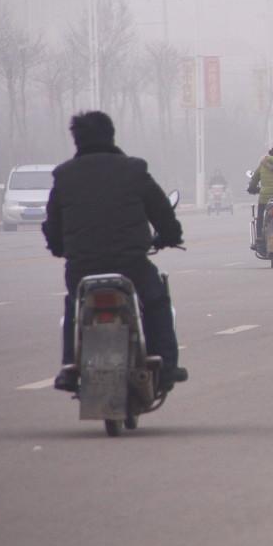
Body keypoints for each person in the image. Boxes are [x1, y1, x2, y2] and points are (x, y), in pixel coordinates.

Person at [42, 111, 186, 393]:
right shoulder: (133, 169)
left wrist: (59, 248)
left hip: (82, 268)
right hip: (131, 266)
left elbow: (52, 226)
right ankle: (166, 366)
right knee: (157, 302)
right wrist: (170, 237)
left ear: (76, 140)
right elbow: (162, 212)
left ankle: (70, 366)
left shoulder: (64, 176)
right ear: (111, 135)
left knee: (75, 304)